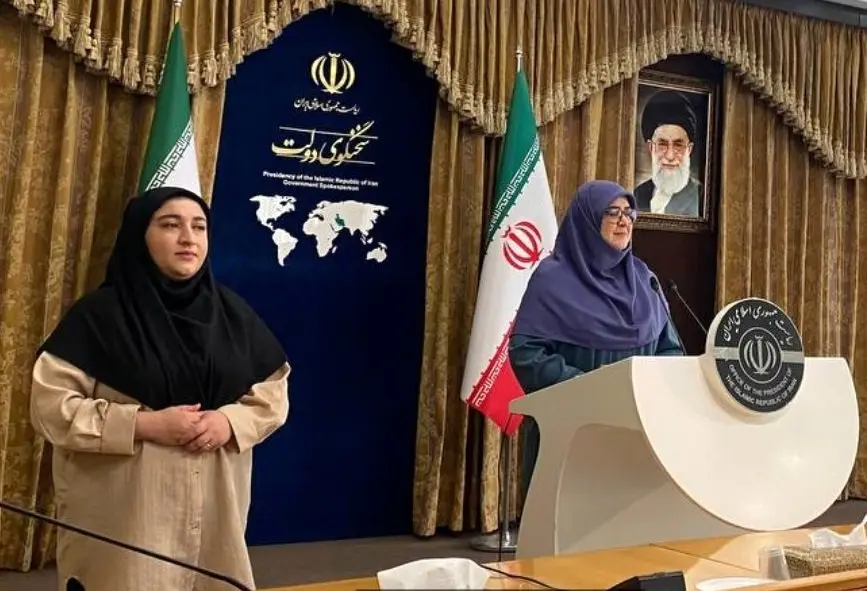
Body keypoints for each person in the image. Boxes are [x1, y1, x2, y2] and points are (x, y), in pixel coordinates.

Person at [29, 186, 290, 591]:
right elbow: (51, 407)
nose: (188, 238)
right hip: (126, 525)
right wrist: (144, 425)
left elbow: (272, 393)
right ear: (140, 235)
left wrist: (228, 422)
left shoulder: (232, 315)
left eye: (199, 227)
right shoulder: (98, 317)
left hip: (214, 518)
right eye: (170, 225)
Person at [510, 179, 684, 501]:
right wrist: (588, 389)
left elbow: (670, 348)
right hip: (572, 432)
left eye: (629, 213)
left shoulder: (645, 279)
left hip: (636, 431)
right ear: (587, 220)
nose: (624, 221)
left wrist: (650, 388)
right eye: (612, 212)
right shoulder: (552, 280)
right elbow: (526, 353)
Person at [634, 90, 702, 216]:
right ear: (651, 147)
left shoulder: (702, 198)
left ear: (689, 149)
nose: (670, 156)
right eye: (662, 144)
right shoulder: (637, 195)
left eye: (678, 145)